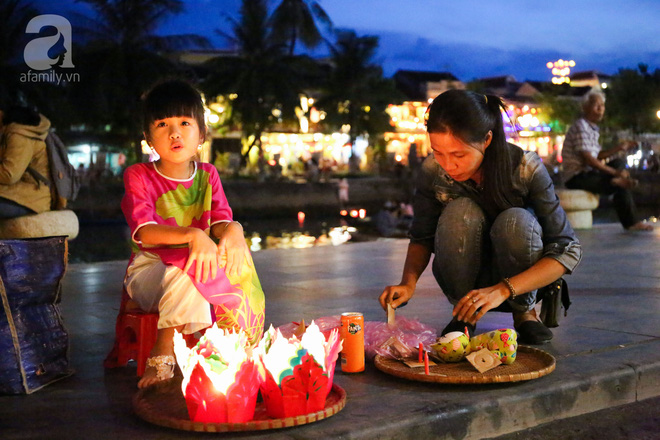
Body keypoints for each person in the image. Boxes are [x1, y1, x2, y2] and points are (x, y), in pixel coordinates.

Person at [379, 90, 582, 344]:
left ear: (487, 139)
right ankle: (465, 314)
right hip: (462, 274)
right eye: (438, 152)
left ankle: (525, 314)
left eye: (458, 155)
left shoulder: (525, 168)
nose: (447, 165)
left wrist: (503, 289)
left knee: (515, 221)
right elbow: (422, 235)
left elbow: (567, 249)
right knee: (460, 212)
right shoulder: (433, 170)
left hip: (521, 279)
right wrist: (408, 283)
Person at [121, 80, 265, 388]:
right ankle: (163, 353)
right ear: (148, 138)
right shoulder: (139, 176)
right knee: (186, 268)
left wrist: (235, 231)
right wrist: (192, 236)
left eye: (185, 123)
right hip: (149, 273)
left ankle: (235, 347)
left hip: (198, 267)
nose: (175, 133)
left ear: (201, 134)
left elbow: (221, 223)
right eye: (163, 124)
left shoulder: (208, 175)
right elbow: (145, 234)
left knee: (233, 256)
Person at [562, 91, 652, 231]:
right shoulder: (581, 127)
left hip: (589, 173)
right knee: (619, 181)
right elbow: (590, 160)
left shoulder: (592, 129)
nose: (600, 109)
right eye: (596, 105)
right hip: (576, 176)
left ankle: (616, 181)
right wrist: (615, 172)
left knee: (618, 163)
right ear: (585, 107)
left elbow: (597, 155)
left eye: (602, 105)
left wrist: (619, 148)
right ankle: (632, 223)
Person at [0, 106, 52, 218]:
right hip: (18, 194)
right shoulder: (11, 133)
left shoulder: (19, 135)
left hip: (30, 199)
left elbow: (9, 174)